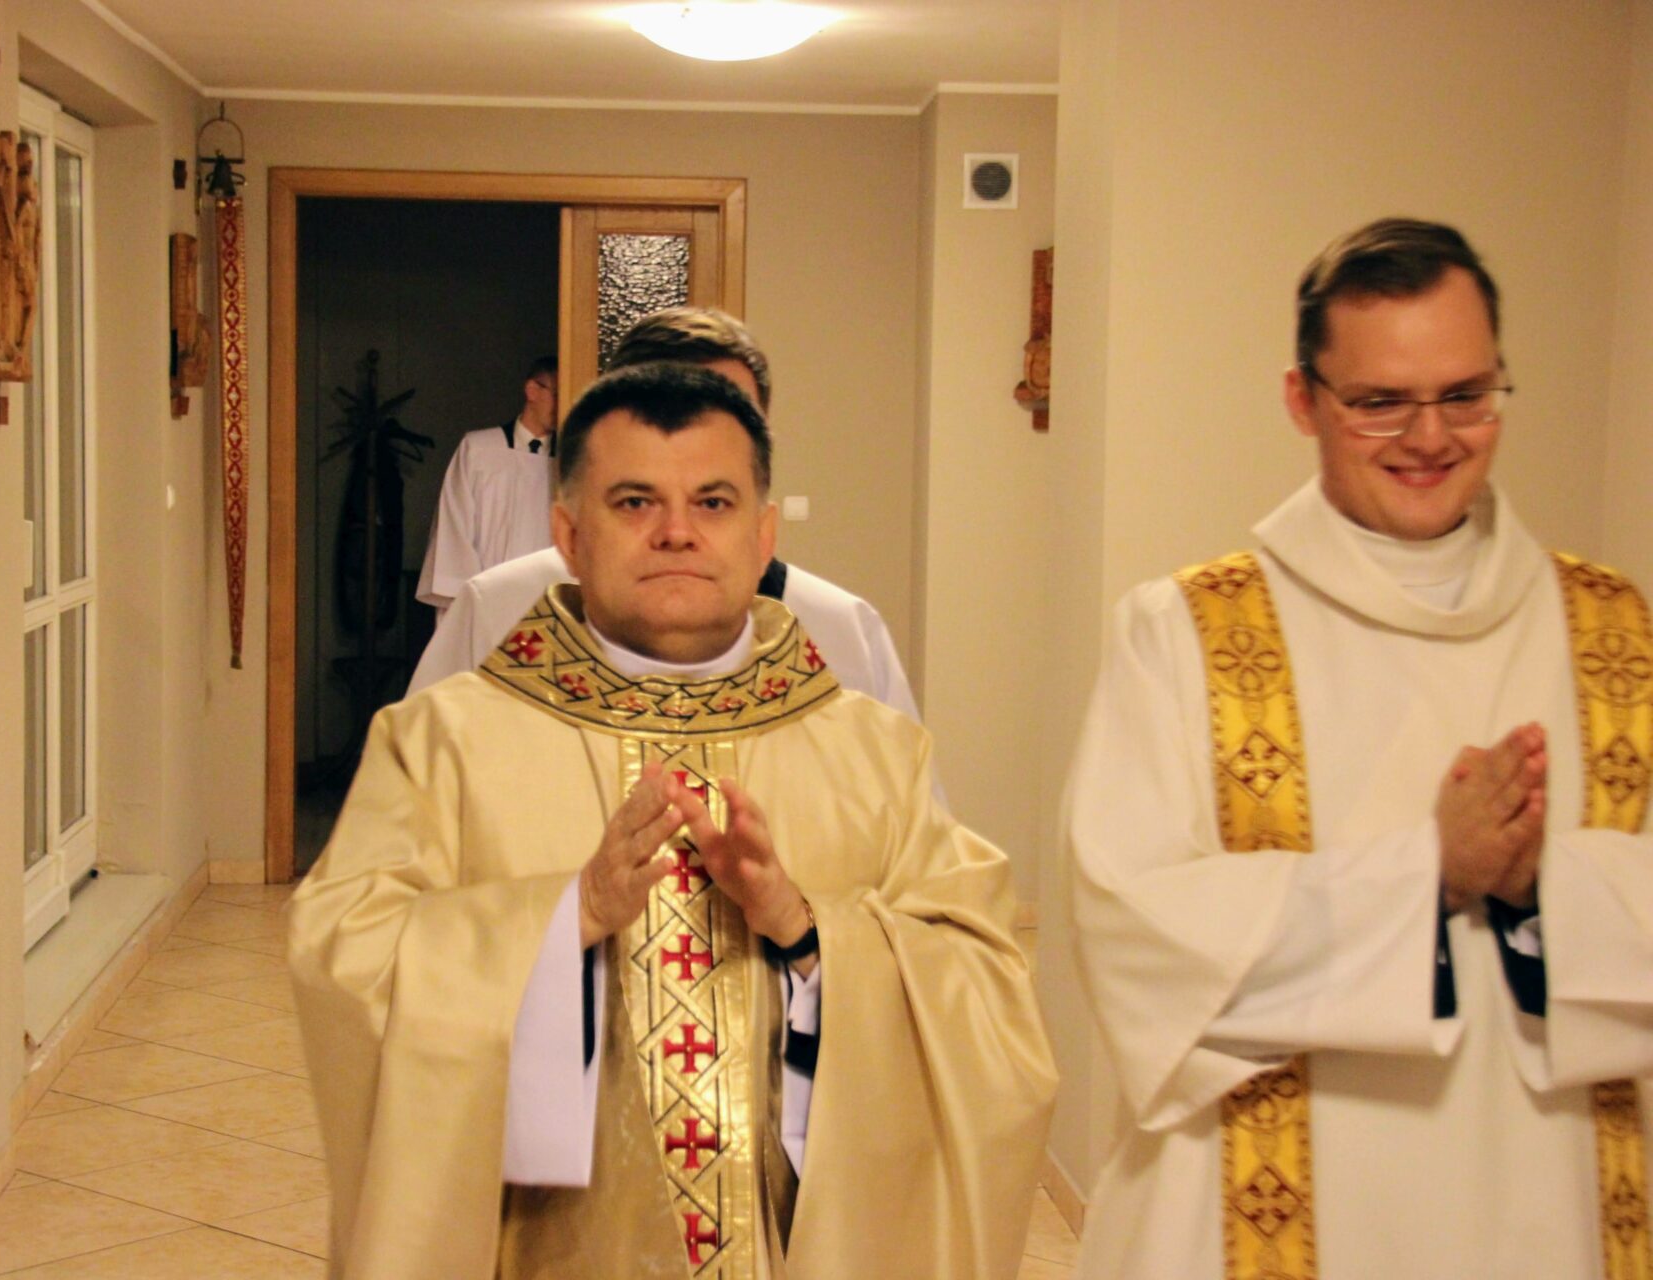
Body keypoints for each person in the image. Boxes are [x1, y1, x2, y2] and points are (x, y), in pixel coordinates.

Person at [291, 363, 1055, 1279]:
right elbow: (344, 958)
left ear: (762, 535)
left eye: (714, 502)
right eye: (634, 502)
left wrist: (807, 932)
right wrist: (562, 919)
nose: (677, 532)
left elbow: (989, 1005)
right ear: (569, 535)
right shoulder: (441, 743)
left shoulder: (876, 755)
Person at [1067, 217, 1653, 1278]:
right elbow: (1133, 926)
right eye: (1381, 402)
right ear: (1303, 399)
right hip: (1262, 1202)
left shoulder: (1615, 635)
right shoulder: (1189, 630)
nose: (1430, 438)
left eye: (1466, 395)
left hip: (1547, 1195)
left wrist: (1543, 886)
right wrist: (1429, 875)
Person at [408, 308, 920, 724]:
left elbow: (905, 817)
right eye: (665, 416)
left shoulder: (844, 635)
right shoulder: (497, 613)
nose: (693, 444)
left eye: (729, 415)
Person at [415, 355, 559, 613]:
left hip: (545, 602)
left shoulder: (569, 462)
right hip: (485, 599)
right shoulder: (479, 449)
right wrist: (475, 597)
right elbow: (455, 525)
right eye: (557, 395)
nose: (563, 405)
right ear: (532, 390)